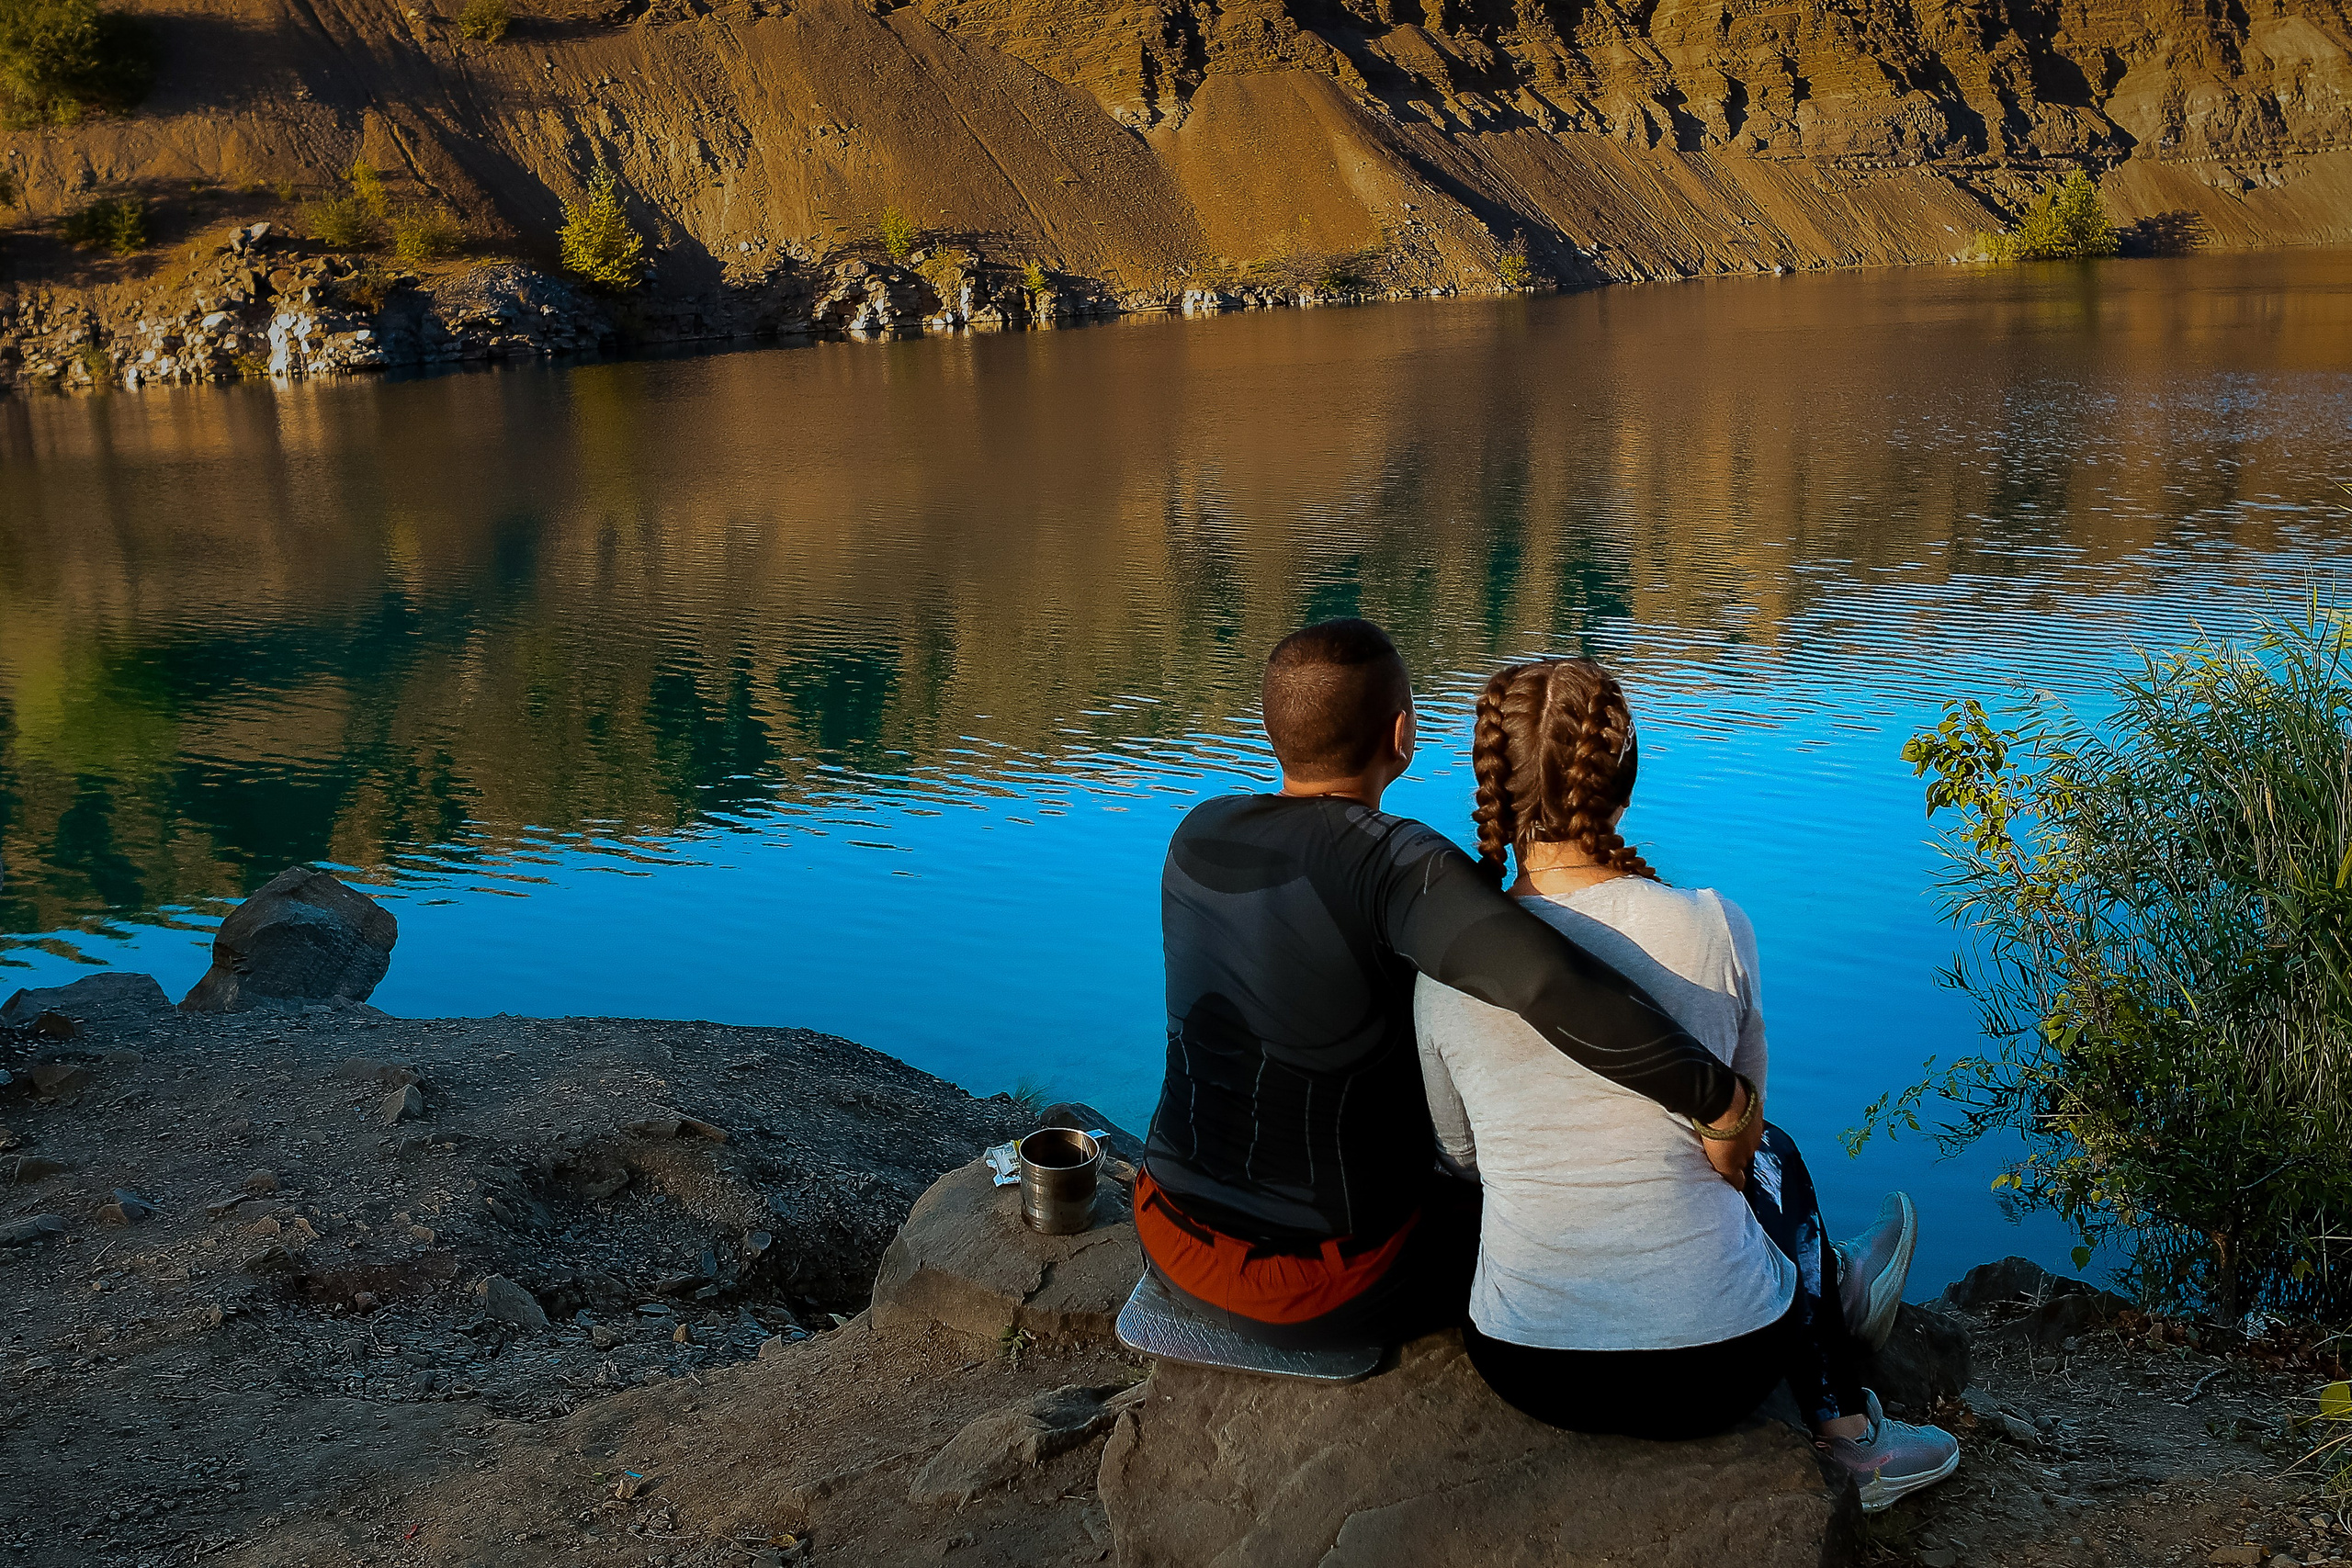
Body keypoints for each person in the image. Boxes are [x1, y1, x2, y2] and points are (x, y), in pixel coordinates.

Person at [1414, 655, 1960, 1510]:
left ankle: (1839, 1289)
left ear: (1492, 786)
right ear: (1624, 779)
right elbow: (1733, 1151)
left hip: (1528, 1365)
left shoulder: (1443, 970)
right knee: (1776, 1152)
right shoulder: (1710, 925)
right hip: (1717, 1365)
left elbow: (1463, 1158)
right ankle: (1847, 1428)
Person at [1136, 618, 1764, 1352]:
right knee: (1505, 1204)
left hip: (1168, 1235)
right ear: (1401, 734)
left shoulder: (1196, 832)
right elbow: (1547, 983)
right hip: (1323, 1290)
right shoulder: (1395, 861)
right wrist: (1718, 1098)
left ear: (1275, 729)